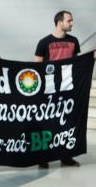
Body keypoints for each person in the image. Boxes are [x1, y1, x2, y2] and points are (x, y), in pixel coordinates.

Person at [35, 10, 81, 168]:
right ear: (60, 22)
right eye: (69, 20)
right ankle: (43, 157)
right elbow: (37, 67)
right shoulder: (44, 42)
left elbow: (78, 64)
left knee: (67, 123)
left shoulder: (74, 41)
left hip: (68, 89)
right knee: (47, 123)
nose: (72, 23)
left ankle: (65, 156)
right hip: (49, 90)